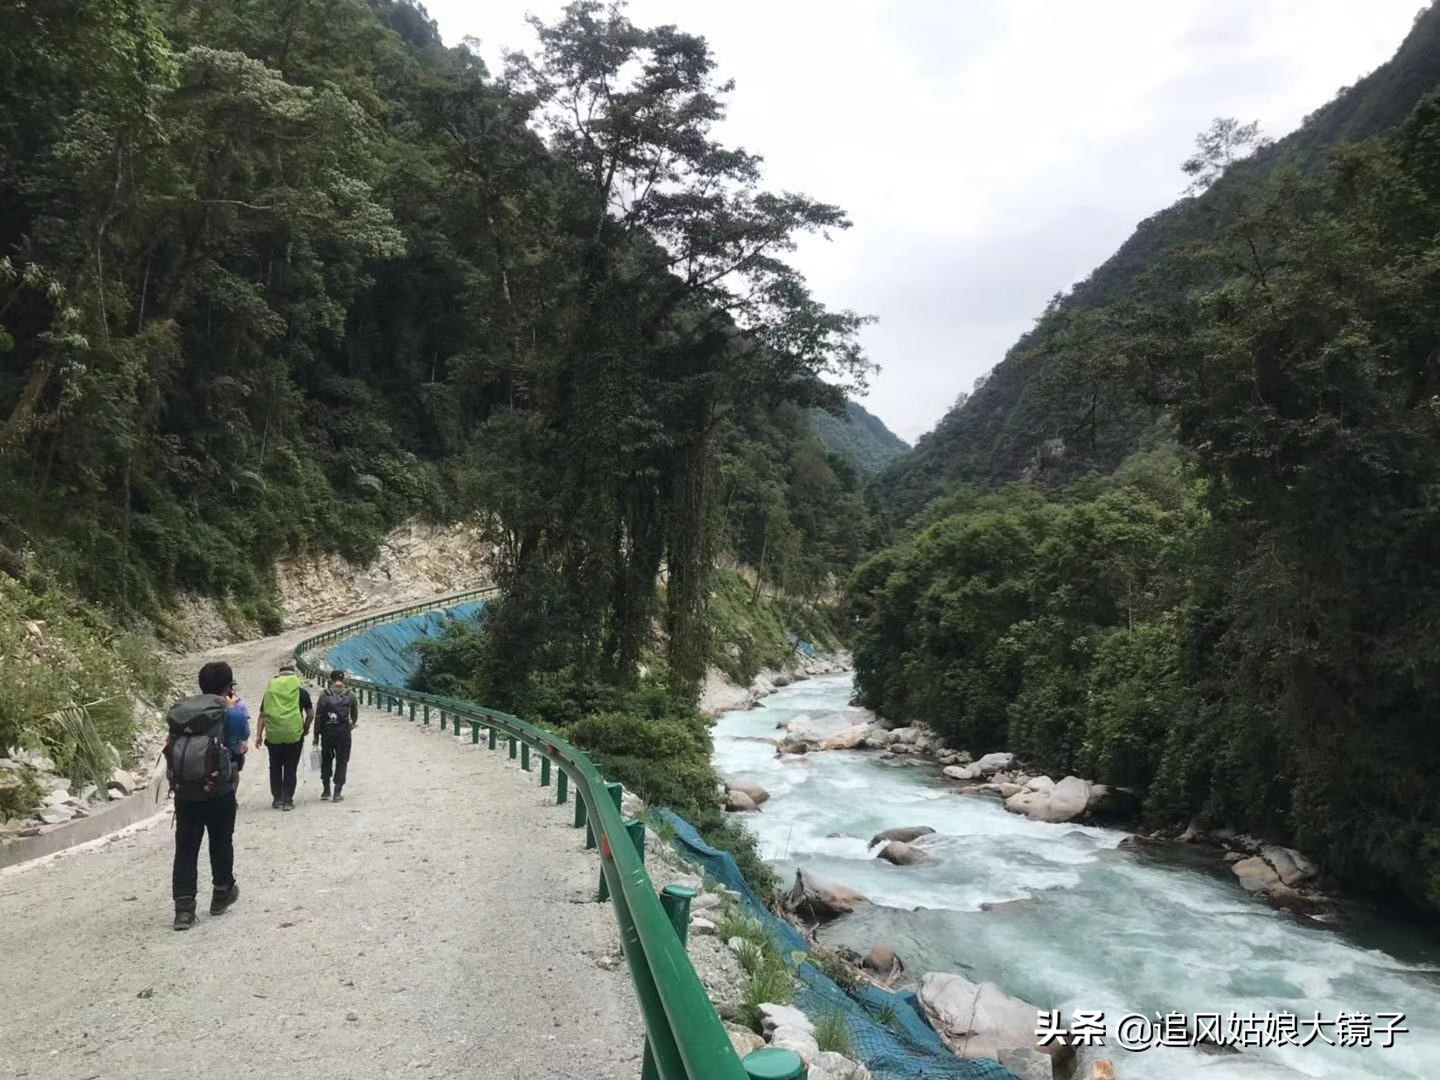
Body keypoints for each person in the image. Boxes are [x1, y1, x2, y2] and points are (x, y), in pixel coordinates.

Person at [169, 660, 248, 931]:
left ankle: (183, 910)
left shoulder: (181, 712)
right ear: (228, 687)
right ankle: (221, 892)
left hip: (186, 791)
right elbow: (240, 741)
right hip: (220, 789)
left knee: (186, 848)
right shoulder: (231, 714)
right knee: (221, 840)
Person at [256, 662, 312, 811]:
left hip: (273, 735)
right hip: (294, 734)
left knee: (275, 766)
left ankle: (277, 799)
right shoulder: (301, 692)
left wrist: (259, 735)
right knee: (290, 767)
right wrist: (305, 728)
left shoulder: (270, 692)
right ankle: (288, 800)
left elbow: (262, 715)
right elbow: (310, 714)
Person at [314, 669, 360, 802]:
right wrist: (351, 725)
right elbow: (354, 715)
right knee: (342, 761)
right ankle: (337, 792)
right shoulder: (350, 695)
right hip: (343, 734)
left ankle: (326, 790)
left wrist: (316, 736)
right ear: (343, 680)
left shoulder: (324, 695)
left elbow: (318, 716)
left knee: (326, 760)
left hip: (327, 734)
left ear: (331, 680)